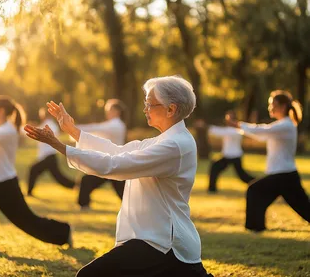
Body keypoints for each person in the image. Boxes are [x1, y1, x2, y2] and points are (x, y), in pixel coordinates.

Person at [24, 75, 213, 277]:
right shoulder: (165, 140)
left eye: (150, 104)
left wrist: (59, 146)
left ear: (171, 109)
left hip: (164, 244)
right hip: (157, 240)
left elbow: (115, 165)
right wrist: (73, 131)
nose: (145, 109)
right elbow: (117, 151)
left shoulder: (173, 145)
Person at [0, 95, 72, 246]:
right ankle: (63, 232)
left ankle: (64, 232)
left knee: (28, 221)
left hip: (3, 186)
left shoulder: (7, 131)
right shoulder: (3, 129)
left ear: (1, 111)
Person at [226, 90, 310, 232]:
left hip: (284, 175)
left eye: (273, 105)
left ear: (283, 107)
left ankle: (255, 227)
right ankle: (256, 227)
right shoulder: (283, 125)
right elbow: (262, 136)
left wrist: (238, 125)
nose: (270, 107)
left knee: (254, 190)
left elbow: (262, 131)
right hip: (283, 175)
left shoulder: (286, 125)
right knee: (260, 195)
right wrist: (241, 128)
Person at [74, 99, 127, 210]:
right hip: (111, 163)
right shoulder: (115, 125)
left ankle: (84, 205)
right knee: (87, 180)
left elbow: (96, 128)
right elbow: (98, 134)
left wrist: (73, 128)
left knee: (123, 191)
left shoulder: (116, 125)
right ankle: (84, 204)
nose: (107, 113)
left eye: (109, 110)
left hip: (113, 163)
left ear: (116, 111)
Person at [195, 110, 255, 193]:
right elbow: (219, 131)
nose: (227, 121)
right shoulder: (230, 130)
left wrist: (205, 126)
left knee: (243, 176)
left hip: (235, 156)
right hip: (227, 156)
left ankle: (257, 183)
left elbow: (219, 131)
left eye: (229, 119)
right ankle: (212, 189)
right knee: (215, 168)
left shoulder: (237, 131)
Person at [27, 107, 76, 196]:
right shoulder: (50, 124)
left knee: (34, 170)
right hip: (49, 156)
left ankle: (77, 186)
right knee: (58, 177)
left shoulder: (48, 125)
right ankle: (76, 186)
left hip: (48, 156)